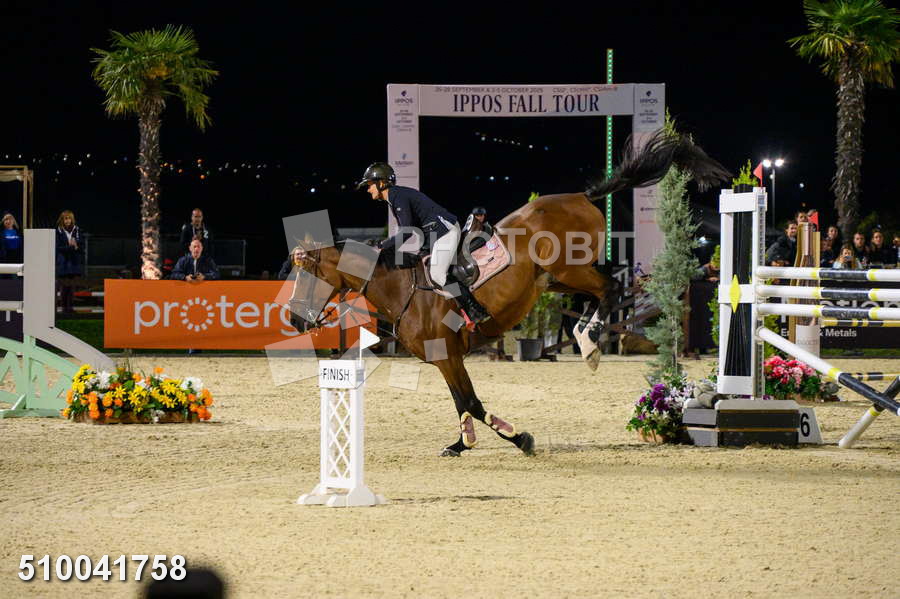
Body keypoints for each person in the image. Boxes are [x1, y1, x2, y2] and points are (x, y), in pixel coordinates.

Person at [357, 162, 460, 292]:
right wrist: (384, 246)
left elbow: (406, 232)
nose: (368, 189)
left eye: (370, 185)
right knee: (422, 272)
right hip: (434, 236)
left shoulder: (398, 197)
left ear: (381, 183)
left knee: (437, 276)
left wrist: (381, 245)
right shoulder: (394, 197)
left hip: (446, 231)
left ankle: (468, 303)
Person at [55, 210, 84, 313]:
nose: (67, 221)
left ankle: (70, 308)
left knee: (71, 286)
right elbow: (58, 248)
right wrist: (71, 247)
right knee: (64, 286)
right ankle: (64, 308)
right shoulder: (58, 231)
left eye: (69, 218)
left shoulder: (77, 230)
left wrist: (76, 247)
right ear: (62, 220)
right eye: (65, 218)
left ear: (72, 220)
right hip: (63, 262)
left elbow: (80, 246)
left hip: (73, 262)